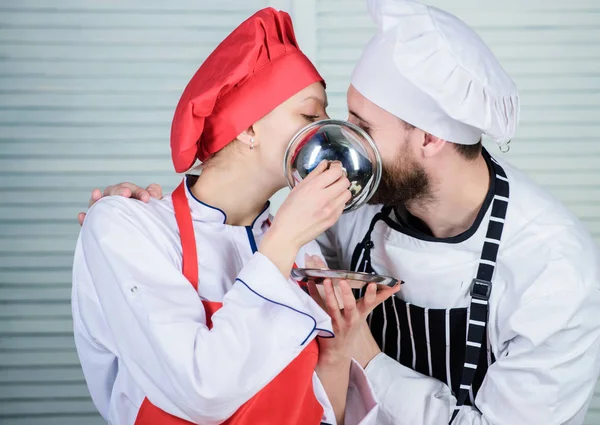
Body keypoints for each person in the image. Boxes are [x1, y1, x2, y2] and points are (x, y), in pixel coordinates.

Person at [80, 0, 600, 424]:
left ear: (430, 138)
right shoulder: (340, 219)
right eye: (320, 114)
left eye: (360, 125)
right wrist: (144, 216)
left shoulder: (552, 267)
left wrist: (363, 358)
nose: (337, 138)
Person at [72, 7, 399, 425]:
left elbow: (319, 414)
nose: (324, 130)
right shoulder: (127, 226)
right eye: (309, 114)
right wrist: (282, 242)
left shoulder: (301, 248)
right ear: (247, 127)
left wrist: (336, 351)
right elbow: (199, 391)